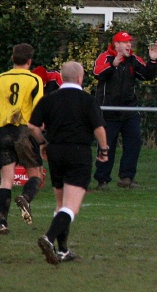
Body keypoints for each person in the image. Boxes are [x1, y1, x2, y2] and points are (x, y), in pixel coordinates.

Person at [28, 61, 108, 264]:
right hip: (78, 151)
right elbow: (98, 128)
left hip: (55, 151)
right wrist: (104, 149)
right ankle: (49, 237)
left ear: (62, 78)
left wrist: (43, 143)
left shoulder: (49, 99)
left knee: (60, 203)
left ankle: (62, 250)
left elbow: (32, 127)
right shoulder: (87, 100)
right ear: (80, 78)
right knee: (72, 207)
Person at [92, 31, 157, 189]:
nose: (129, 45)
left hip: (129, 110)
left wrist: (153, 61)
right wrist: (113, 65)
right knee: (106, 145)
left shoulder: (133, 60)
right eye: (125, 42)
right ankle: (102, 179)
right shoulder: (105, 57)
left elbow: (146, 75)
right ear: (116, 44)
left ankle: (127, 178)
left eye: (130, 42)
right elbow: (97, 73)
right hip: (108, 111)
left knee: (134, 142)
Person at [0, 43, 45, 234]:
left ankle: (2, 222)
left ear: (12, 59)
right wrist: (42, 140)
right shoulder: (34, 80)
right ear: (30, 61)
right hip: (23, 132)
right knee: (36, 174)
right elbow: (38, 111)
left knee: (6, 179)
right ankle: (25, 197)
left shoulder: (1, 78)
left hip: (2, 132)